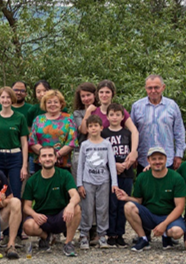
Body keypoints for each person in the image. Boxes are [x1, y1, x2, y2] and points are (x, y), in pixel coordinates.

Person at [116, 147, 186, 252]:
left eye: (160, 158)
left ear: (166, 159)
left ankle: (166, 235)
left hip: (169, 215)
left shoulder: (176, 178)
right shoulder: (143, 177)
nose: (157, 161)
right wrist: (127, 197)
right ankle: (143, 238)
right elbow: (138, 201)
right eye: (154, 159)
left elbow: (180, 207)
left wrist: (164, 224)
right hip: (150, 215)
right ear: (148, 160)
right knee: (128, 206)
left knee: (177, 232)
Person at [22, 146, 81, 257]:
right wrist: (34, 215)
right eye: (44, 156)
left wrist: (71, 205)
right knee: (28, 225)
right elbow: (26, 207)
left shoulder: (64, 175)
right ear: (39, 160)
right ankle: (45, 237)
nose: (47, 158)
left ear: (55, 159)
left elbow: (75, 195)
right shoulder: (32, 180)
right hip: (43, 219)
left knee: (76, 208)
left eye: (50, 155)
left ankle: (68, 243)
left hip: (62, 217)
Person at [76, 116, 118, 250]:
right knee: (87, 209)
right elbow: (80, 165)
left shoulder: (106, 144)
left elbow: (111, 164)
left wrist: (114, 183)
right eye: (90, 126)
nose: (93, 128)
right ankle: (84, 235)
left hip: (104, 181)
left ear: (101, 127)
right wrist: (79, 184)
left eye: (96, 125)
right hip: (88, 181)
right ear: (87, 129)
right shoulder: (85, 145)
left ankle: (102, 235)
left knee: (102, 208)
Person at [131, 74, 186, 171]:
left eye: (156, 87)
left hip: (167, 159)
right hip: (144, 159)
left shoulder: (172, 106)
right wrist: (132, 153)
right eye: (150, 88)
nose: (153, 91)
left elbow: (179, 132)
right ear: (145, 88)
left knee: (167, 186)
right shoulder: (137, 107)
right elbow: (131, 132)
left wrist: (179, 154)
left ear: (163, 87)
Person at [102, 103, 135, 247]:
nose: (114, 117)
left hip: (126, 173)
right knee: (111, 204)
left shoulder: (128, 133)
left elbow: (132, 153)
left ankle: (120, 233)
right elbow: (100, 154)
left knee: (123, 204)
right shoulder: (103, 133)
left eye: (117, 115)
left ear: (123, 117)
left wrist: (125, 165)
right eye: (111, 114)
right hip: (109, 174)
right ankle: (111, 234)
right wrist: (113, 165)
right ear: (107, 116)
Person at [84, 80, 139, 166]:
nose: (104, 95)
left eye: (107, 92)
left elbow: (134, 131)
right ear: (97, 94)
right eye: (101, 92)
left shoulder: (120, 111)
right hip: (102, 158)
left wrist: (133, 152)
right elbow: (88, 135)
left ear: (112, 94)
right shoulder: (94, 112)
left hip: (120, 157)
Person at [0, 87, 29, 199]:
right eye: (3, 97)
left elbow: (24, 143)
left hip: (15, 157)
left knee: (15, 191)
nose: (5, 100)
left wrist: (24, 166)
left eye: (8, 97)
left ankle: (16, 215)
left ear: (12, 99)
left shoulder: (20, 118)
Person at [28, 89, 77, 171]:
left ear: (61, 104)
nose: (52, 104)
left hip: (62, 163)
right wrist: (46, 156)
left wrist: (55, 155)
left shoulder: (69, 119)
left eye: (55, 102)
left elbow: (71, 141)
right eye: (49, 102)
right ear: (45, 104)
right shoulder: (38, 119)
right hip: (41, 164)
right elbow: (32, 141)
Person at [71, 82, 98, 186]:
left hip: (98, 151)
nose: (86, 98)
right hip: (81, 151)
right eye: (83, 96)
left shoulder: (101, 110)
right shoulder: (77, 113)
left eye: (88, 95)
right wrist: (88, 112)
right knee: (80, 185)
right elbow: (83, 130)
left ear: (94, 95)